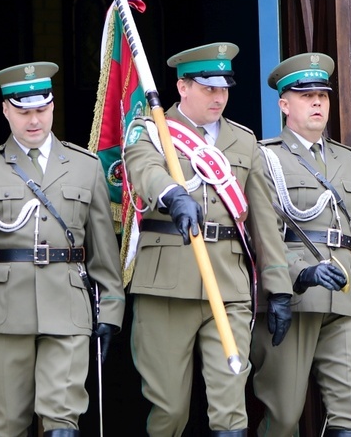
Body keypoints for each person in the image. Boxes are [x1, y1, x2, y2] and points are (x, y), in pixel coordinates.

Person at [0, 62, 125, 437]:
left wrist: (111, 309)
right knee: (8, 423)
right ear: (6, 110)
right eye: (24, 111)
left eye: (41, 109)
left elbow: (103, 248)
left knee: (63, 420)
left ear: (53, 106)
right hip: (2, 308)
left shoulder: (85, 166)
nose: (34, 120)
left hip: (67, 306)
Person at [123, 42, 293, 437]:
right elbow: (145, 171)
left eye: (224, 88)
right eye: (208, 88)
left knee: (231, 411)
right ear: (183, 87)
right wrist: (172, 193)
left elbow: (263, 220)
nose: (220, 97)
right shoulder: (150, 130)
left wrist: (279, 287)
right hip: (167, 286)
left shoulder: (244, 141)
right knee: (169, 410)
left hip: (228, 284)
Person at [251, 53, 351, 437]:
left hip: (344, 299)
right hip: (295, 298)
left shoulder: (347, 159)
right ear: (284, 104)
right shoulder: (265, 157)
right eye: (306, 95)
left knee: (350, 420)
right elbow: (261, 234)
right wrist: (296, 274)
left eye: (323, 94)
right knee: (284, 417)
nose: (318, 101)